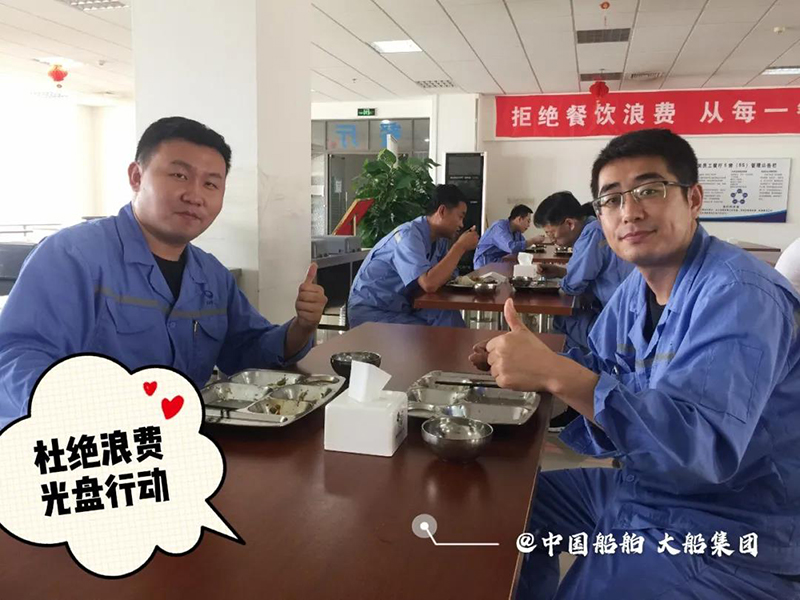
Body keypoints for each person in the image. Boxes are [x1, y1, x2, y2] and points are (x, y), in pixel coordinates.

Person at [471, 129, 800, 599]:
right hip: (644, 490)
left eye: (649, 190)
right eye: (611, 199)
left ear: (693, 199)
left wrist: (556, 374)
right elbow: (600, 367)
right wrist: (533, 371)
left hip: (730, 527)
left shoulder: (740, 294)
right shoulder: (635, 291)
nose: (629, 211)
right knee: (512, 510)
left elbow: (699, 452)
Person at [0, 116, 327, 431]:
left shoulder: (211, 276)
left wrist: (302, 327)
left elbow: (248, 352)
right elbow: (18, 358)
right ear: (136, 176)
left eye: (211, 184)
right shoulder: (73, 256)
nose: (195, 196)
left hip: (176, 443)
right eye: (179, 176)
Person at [533, 191, 634, 432]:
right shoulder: (597, 227)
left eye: (551, 233)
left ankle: (580, 403)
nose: (551, 239)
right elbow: (590, 272)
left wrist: (560, 282)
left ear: (569, 223)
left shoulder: (592, 232)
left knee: (563, 323)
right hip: (625, 313)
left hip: (619, 321)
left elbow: (575, 284)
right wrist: (561, 273)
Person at [347, 184, 479, 328]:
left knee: (446, 314)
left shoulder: (439, 240)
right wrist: (460, 247)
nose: (461, 224)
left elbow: (448, 276)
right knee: (431, 334)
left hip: (403, 306)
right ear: (442, 211)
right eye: (460, 217)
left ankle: (465, 343)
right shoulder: (409, 236)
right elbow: (429, 284)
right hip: (374, 311)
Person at [473, 204, 544, 268]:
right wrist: (533, 240)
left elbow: (522, 246)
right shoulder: (500, 227)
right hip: (485, 264)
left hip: (500, 262)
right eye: (528, 221)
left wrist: (535, 246)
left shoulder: (517, 231)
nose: (529, 225)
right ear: (519, 219)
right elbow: (511, 248)